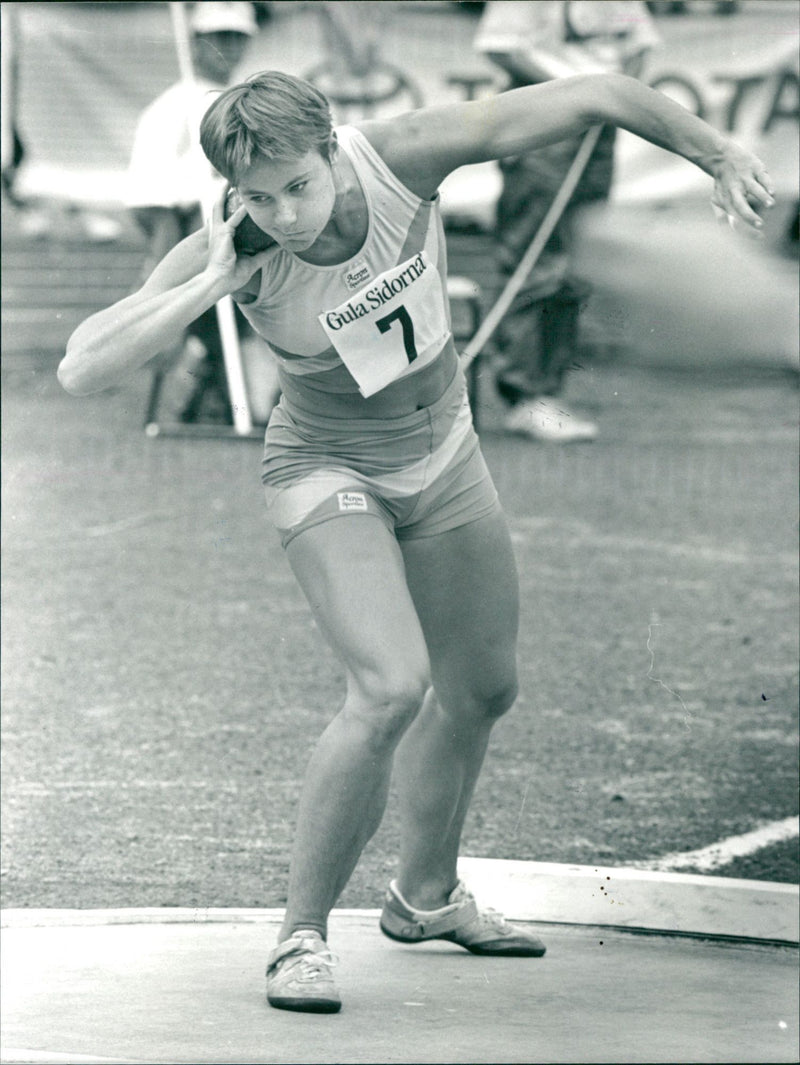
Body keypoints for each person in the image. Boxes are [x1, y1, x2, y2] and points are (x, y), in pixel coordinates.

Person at [59, 68, 773, 1014]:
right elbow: (82, 369)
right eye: (258, 198)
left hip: (445, 455)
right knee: (392, 685)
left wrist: (715, 150)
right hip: (325, 468)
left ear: (331, 150)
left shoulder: (402, 158)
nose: (284, 214)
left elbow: (598, 91)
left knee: (481, 688)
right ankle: (299, 938)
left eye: (298, 187)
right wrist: (215, 282)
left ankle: (425, 898)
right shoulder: (236, 244)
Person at [474, 1, 659, 442]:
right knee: (535, 257)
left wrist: (613, 95)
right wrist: (573, 91)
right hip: (543, 121)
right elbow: (501, 46)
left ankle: (549, 390)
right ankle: (525, 393)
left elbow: (639, 42)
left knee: (577, 261)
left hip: (598, 123)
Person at [126, 0, 256, 423]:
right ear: (196, 42)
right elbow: (149, 199)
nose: (230, 49)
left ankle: (214, 379)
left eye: (238, 38)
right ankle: (201, 371)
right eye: (221, 37)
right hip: (189, 231)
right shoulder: (171, 109)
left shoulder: (241, 100)